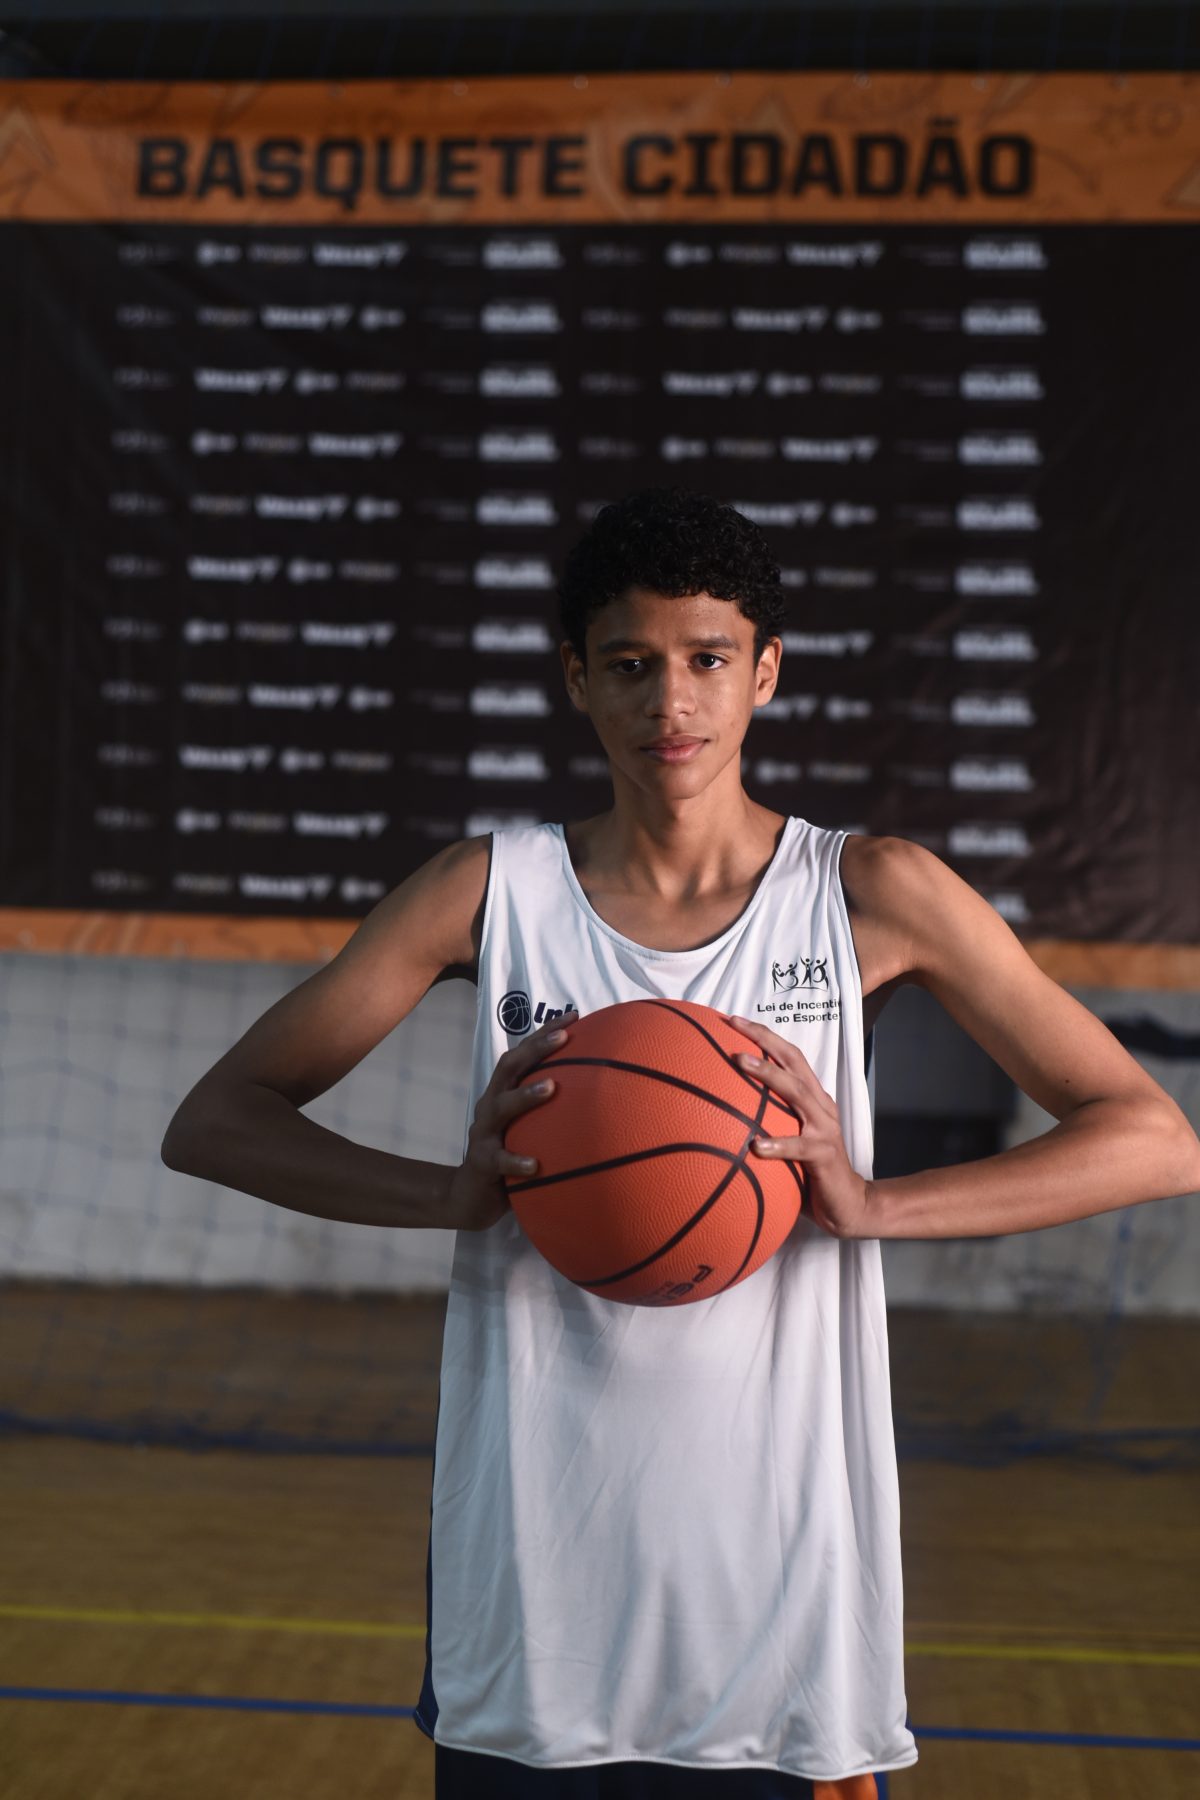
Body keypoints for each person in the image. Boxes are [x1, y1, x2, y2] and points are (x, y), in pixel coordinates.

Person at [162, 486, 1200, 1800]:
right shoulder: (492, 893)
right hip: (532, 1583)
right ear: (576, 678)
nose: (671, 702)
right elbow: (217, 1120)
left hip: (780, 1596)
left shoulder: (869, 892)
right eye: (630, 665)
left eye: (708, 659)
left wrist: (873, 1203)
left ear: (765, 671)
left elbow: (1153, 1138)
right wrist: (453, 1195)